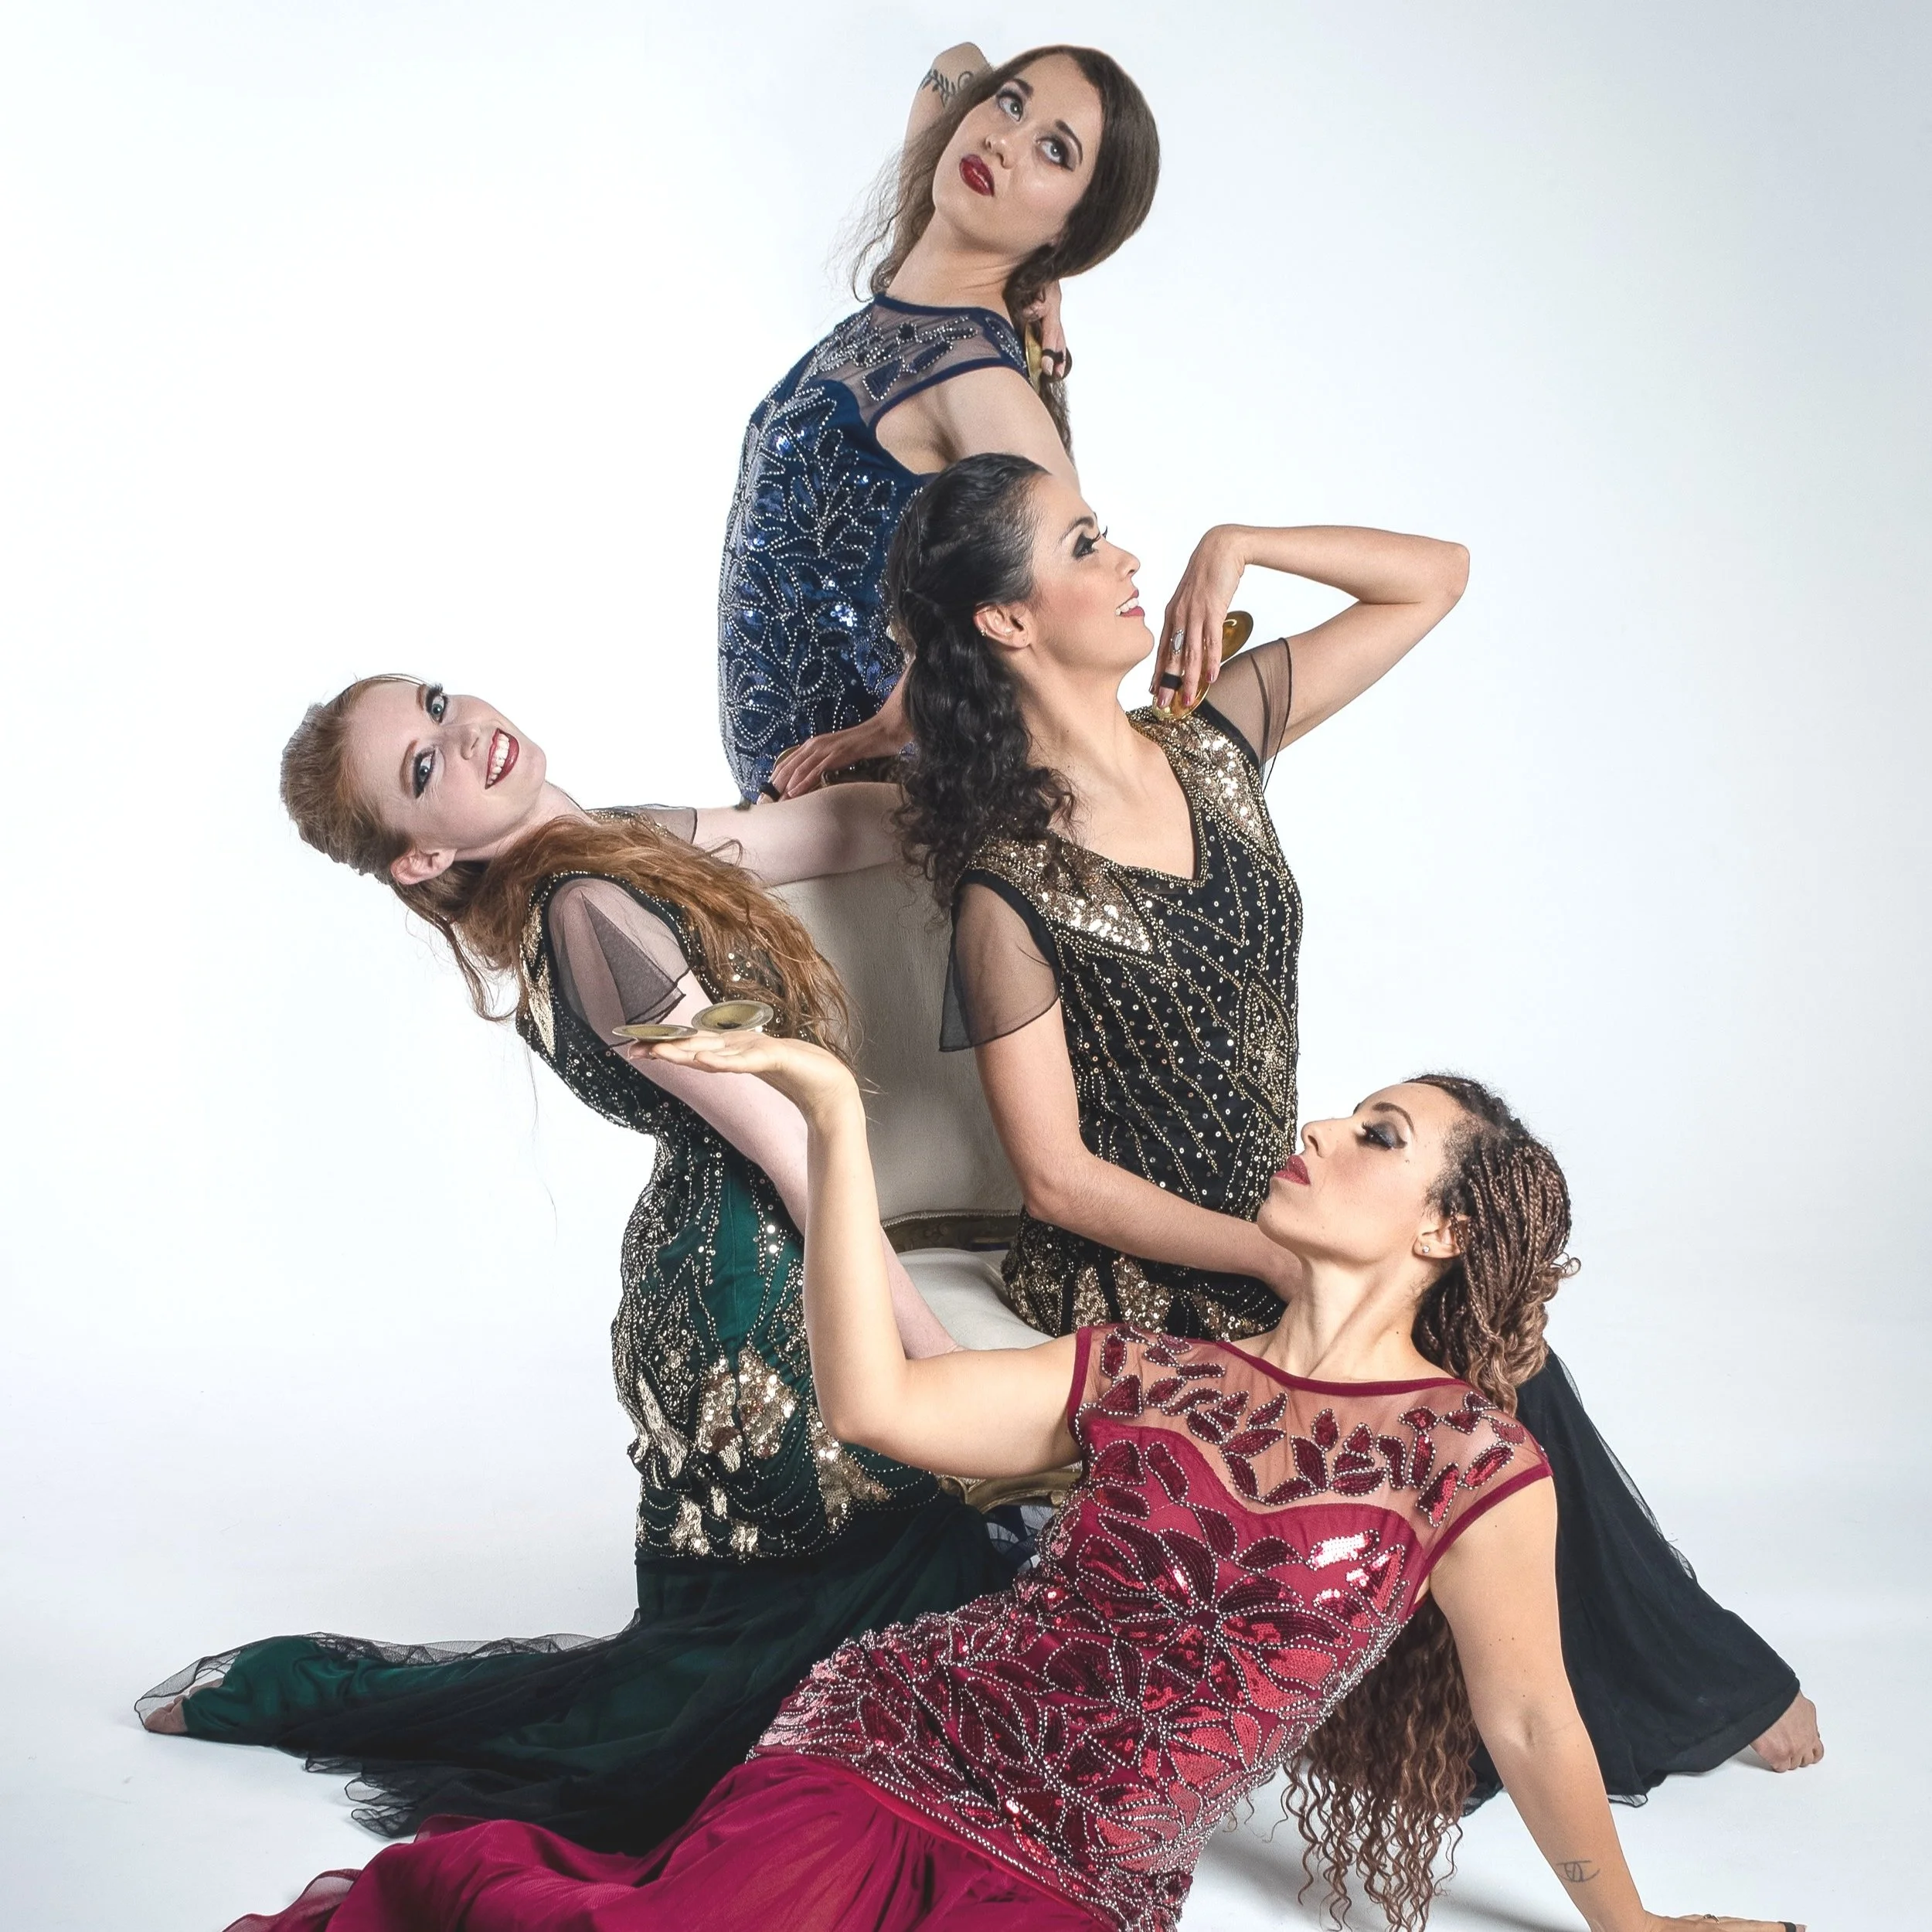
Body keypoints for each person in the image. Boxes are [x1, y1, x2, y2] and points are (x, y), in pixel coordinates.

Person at [216, 1039, 1798, 1932]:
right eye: (1341, 1108)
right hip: (890, 1744)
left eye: (1376, 1134)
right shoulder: (1148, 1370)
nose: (1320, 1126)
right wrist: (837, 1127)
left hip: (1083, 1868)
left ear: (1442, 1230)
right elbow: (879, 1402)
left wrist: (1634, 1929)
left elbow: (1529, 1718)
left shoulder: (1473, 1459)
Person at [888, 452, 1821, 1802]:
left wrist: (1243, 538)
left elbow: (1434, 578)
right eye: (1085, 545)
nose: (1128, 559)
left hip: (1299, 1206)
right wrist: (1272, 1259)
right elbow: (1058, 1179)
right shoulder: (1010, 885)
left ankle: (1642, 1689)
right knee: (1447, 1353)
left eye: (1111, 534)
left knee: (1500, 1339)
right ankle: (1476, 1721)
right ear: (1007, 619)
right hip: (1151, 1266)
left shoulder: (1214, 740)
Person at [137, 675, 1012, 1852]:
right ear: (421, 856)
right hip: (754, 1293)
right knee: (775, 1652)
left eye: (437, 703)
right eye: (423, 766)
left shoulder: (613, 845)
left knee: (840, 1622)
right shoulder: (588, 908)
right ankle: (295, 1695)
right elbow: (795, 1146)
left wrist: (984, 782)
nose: (463, 734)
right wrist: (942, 1362)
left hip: (745, 1256)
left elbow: (831, 834)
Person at [719, 42, 1158, 801]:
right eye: (1010, 104)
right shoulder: (912, 306)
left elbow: (1072, 601)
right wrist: (1025, 269)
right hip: (788, 806)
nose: (1004, 141)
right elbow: (957, 62)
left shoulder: (977, 381)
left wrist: (899, 718)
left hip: (867, 814)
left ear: (1071, 229)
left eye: (1054, 151)